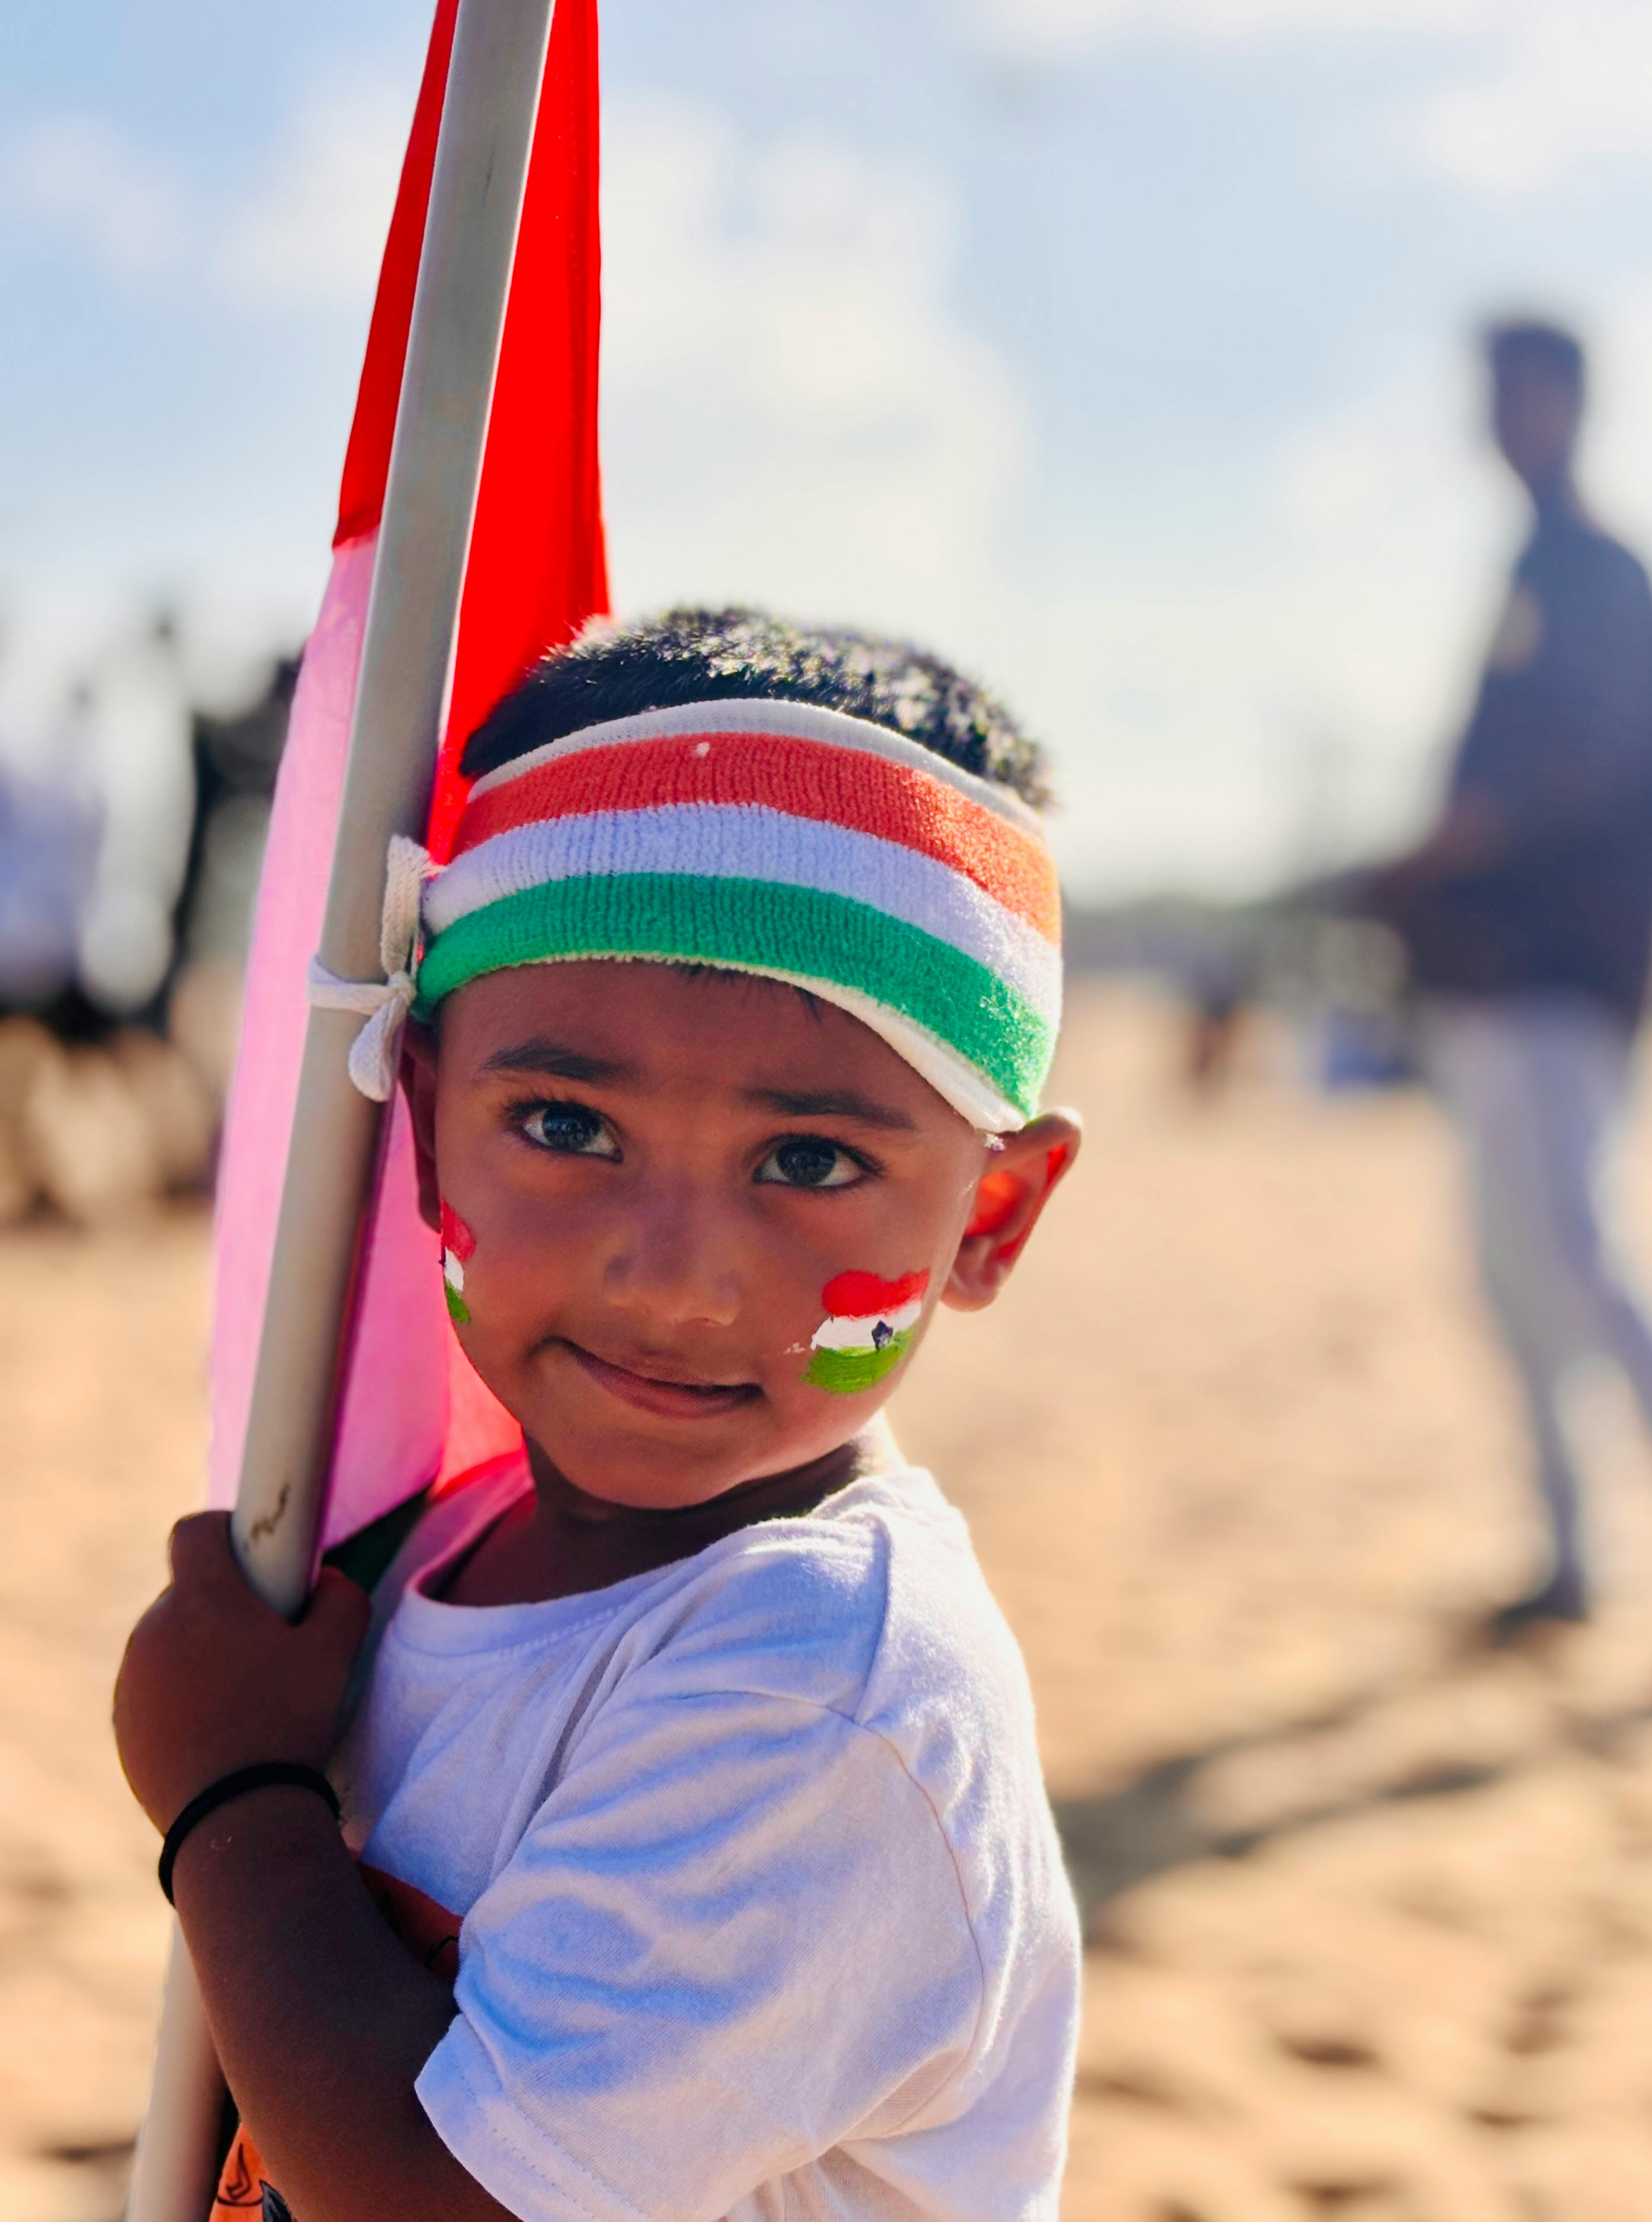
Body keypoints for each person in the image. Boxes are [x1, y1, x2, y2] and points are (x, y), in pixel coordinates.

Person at [113, 608, 1083, 2222]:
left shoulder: (831, 1692)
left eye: (812, 1164)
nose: (672, 1284)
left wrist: (229, 1800)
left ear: (989, 1216)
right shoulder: (451, 1533)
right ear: (422, 1121)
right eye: (566, 1124)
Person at [1360, 318, 1652, 1684]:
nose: (1499, 419)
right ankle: (1574, 1557)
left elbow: (1583, 778)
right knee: (1515, 1272)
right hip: (1510, 981)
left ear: (1567, 403)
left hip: (1561, 981)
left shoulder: (1596, 571)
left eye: (1516, 393)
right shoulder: (1541, 566)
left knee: (1588, 1261)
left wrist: (1436, 853)